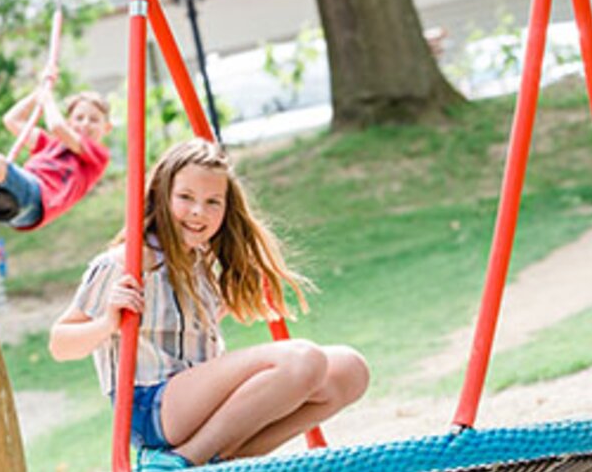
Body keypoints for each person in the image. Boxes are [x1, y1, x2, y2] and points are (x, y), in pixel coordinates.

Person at [49, 139, 369, 471]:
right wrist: (107, 324)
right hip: (151, 407)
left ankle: (217, 457)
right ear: (162, 196)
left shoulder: (201, 262)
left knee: (350, 370)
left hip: (195, 403)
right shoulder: (126, 262)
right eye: (185, 197)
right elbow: (60, 343)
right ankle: (177, 460)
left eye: (212, 202)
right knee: (303, 359)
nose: (198, 211)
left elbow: (182, 332)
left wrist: (226, 303)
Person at [0, 86, 111, 230]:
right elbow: (11, 120)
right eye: (79, 118)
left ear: (107, 128)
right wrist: (37, 94)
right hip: (16, 196)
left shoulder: (98, 155)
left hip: (37, 201)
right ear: (70, 121)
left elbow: (57, 127)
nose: (85, 124)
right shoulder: (49, 144)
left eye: (94, 120)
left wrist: (47, 100)